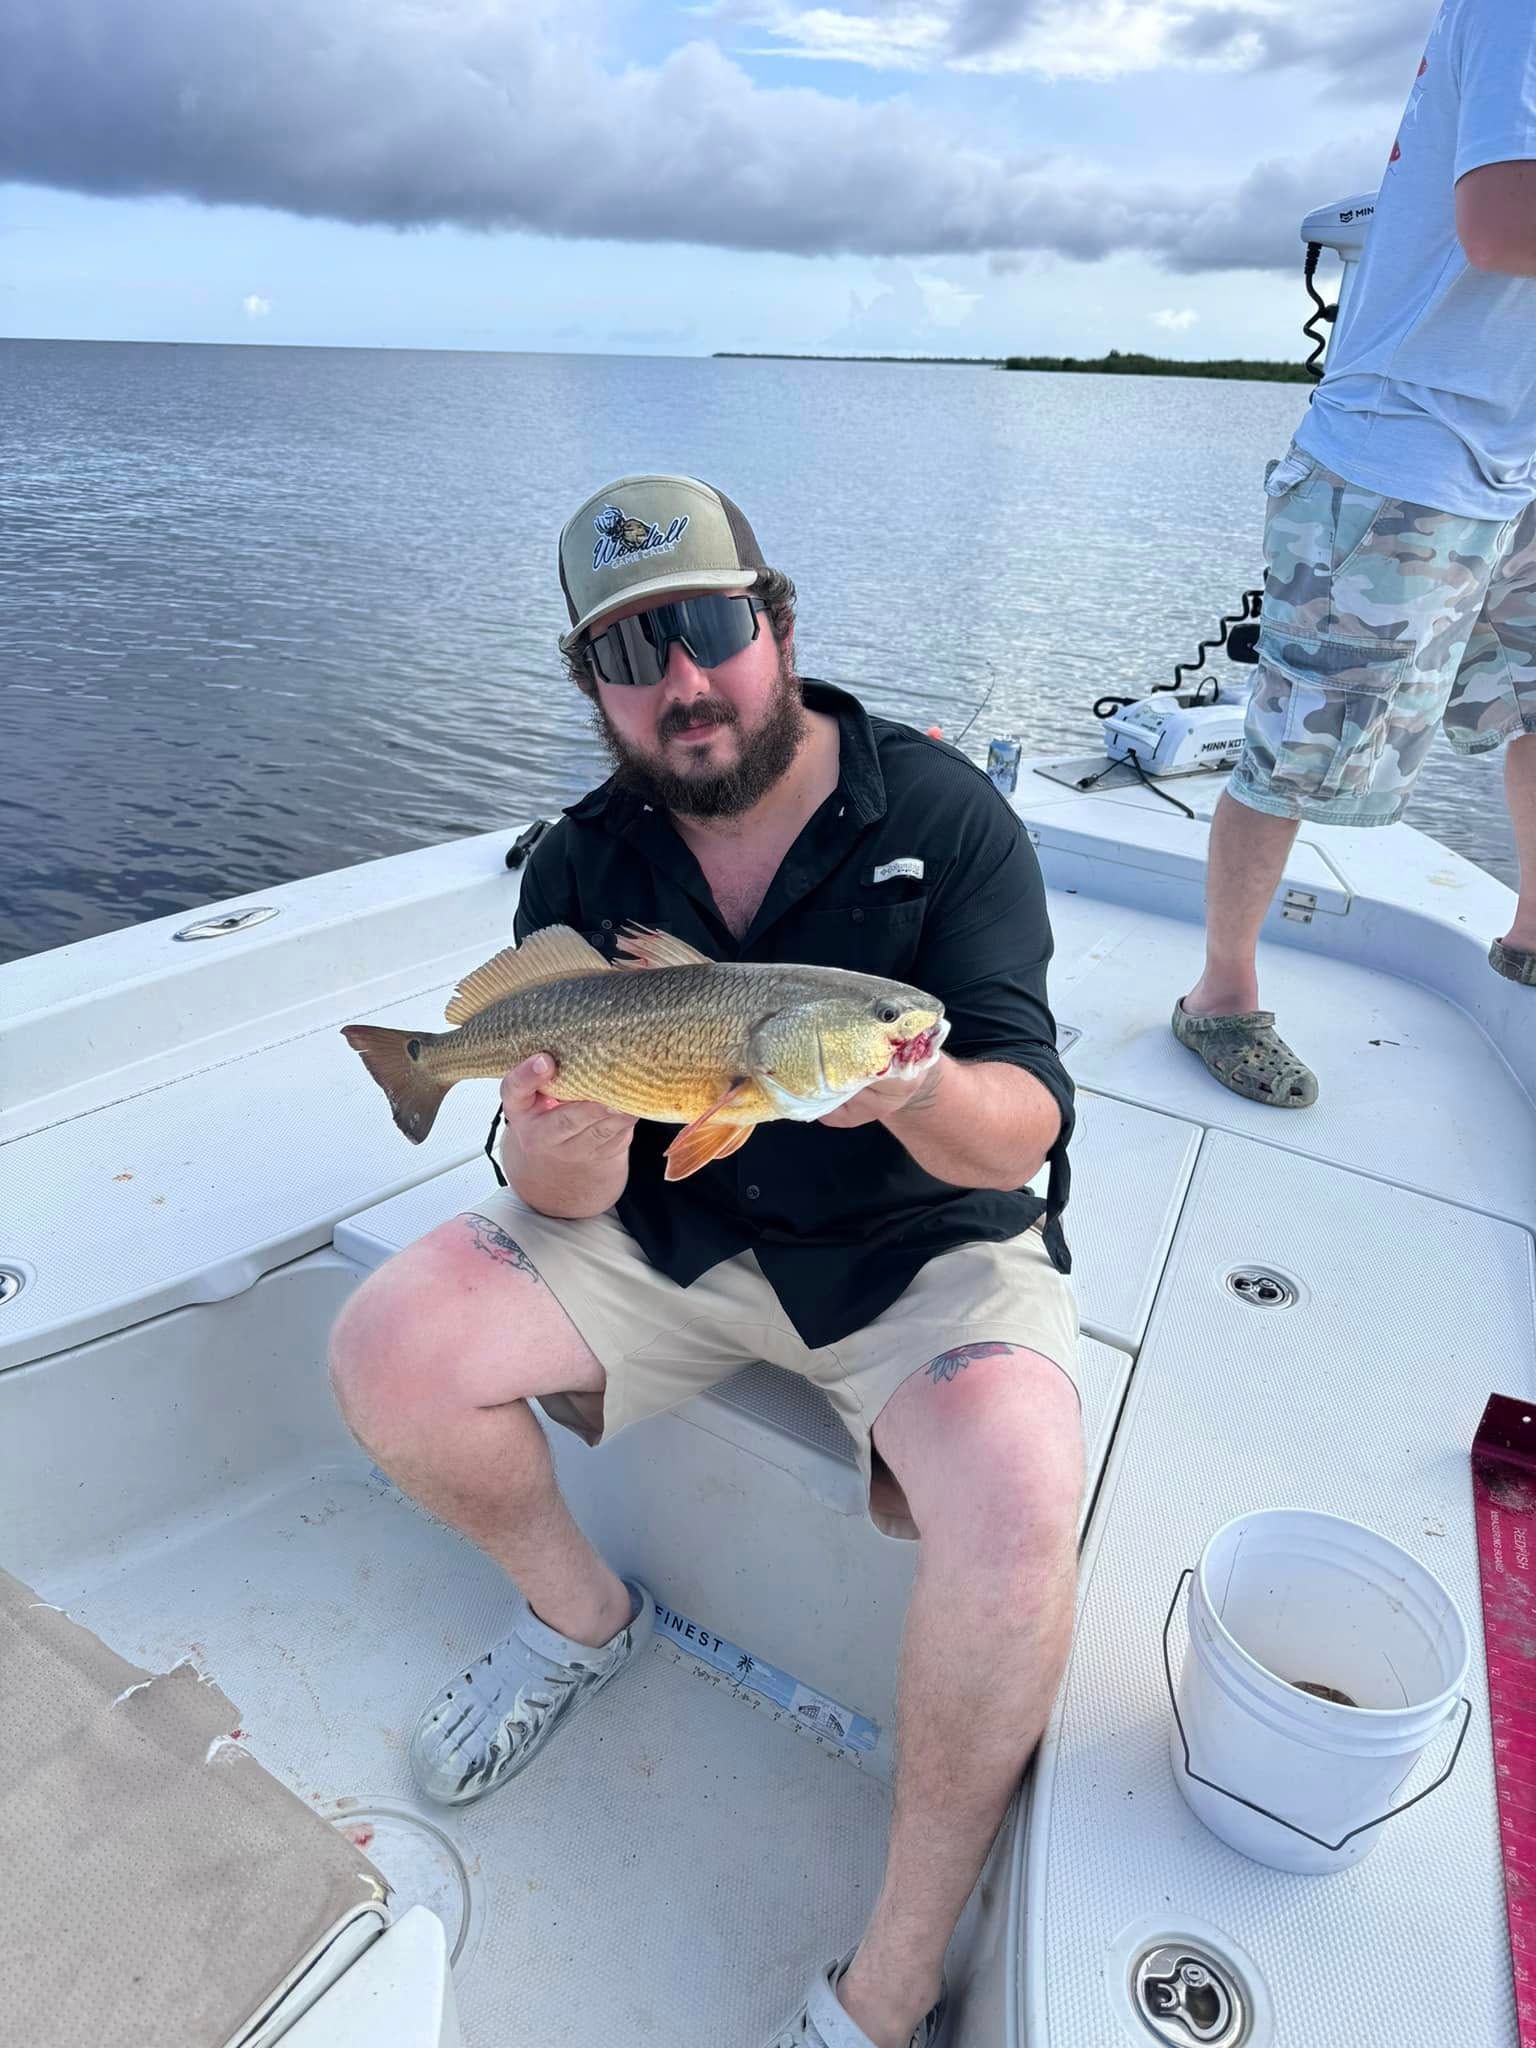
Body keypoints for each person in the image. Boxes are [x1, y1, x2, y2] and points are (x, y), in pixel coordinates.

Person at [327, 472, 1080, 2048]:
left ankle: (892, 1980)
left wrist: (916, 1085)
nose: (682, 679)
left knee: (1018, 1502)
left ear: (777, 623)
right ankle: (581, 1618)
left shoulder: (944, 817)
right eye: (629, 650)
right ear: (593, 685)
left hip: (915, 1251)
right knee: (389, 1348)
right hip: (669, 1232)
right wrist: (562, 1138)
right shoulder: (580, 862)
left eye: (712, 628)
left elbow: (1021, 1124)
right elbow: (559, 1186)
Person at [1176, 0, 1536, 1107]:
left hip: (1519, 458)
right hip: (1401, 458)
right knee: (1294, 750)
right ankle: (1219, 996)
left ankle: (1533, 935)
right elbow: (1503, 224)